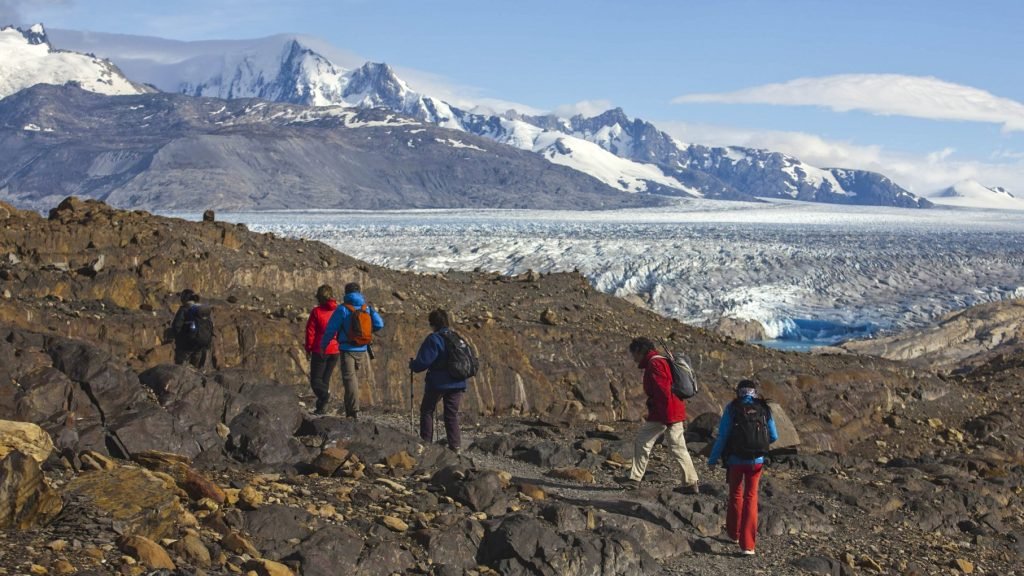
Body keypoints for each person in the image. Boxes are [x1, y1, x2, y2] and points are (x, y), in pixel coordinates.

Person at [707, 379, 779, 556]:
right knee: (751, 497)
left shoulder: (732, 408)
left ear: (738, 391)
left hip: (735, 460)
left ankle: (734, 534)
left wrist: (713, 459)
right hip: (757, 461)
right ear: (754, 392)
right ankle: (748, 546)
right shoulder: (763, 408)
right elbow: (774, 436)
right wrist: (759, 446)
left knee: (736, 495)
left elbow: (723, 436)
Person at [619, 337, 699, 492]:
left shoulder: (655, 363)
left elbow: (664, 391)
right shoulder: (660, 360)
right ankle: (690, 482)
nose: (633, 358)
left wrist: (666, 417)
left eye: (634, 354)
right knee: (674, 446)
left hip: (665, 413)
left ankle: (635, 479)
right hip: (669, 411)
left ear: (640, 351)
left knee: (651, 442)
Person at [320, 282, 383, 418]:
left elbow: (331, 329)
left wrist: (323, 345)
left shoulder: (342, 309)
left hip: (347, 348)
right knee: (354, 378)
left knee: (350, 379)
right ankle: (351, 410)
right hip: (363, 348)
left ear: (346, 293)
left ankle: (354, 411)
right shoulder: (366, 308)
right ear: (359, 292)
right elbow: (379, 324)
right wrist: (367, 331)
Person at [409, 308, 466, 453]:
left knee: (427, 410)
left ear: (433, 324)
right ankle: (455, 446)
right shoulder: (456, 337)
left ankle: (426, 443)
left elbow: (423, 363)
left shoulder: (434, 339)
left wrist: (413, 365)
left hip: (439, 383)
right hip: (458, 381)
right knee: (451, 414)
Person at [305, 284, 340, 415]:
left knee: (316, 381)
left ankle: (325, 397)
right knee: (324, 380)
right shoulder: (338, 310)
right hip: (335, 350)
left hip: (320, 350)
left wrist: (308, 348)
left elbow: (310, 332)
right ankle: (321, 408)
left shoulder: (317, 312)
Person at [170, 289, 213, 369]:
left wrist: (179, 339)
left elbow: (176, 326)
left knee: (181, 368)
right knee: (195, 368)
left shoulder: (184, 309)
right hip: (201, 344)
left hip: (186, 345)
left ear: (184, 298)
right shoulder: (202, 309)